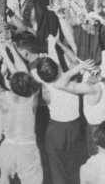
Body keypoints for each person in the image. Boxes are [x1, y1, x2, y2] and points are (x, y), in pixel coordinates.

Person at [0, 47, 43, 184]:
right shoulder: (32, 97)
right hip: (27, 148)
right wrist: (9, 49)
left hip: (7, 147)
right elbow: (24, 75)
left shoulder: (3, 97)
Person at [37, 54, 82, 184]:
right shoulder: (71, 81)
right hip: (74, 127)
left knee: (57, 167)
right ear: (57, 68)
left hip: (56, 130)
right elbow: (72, 61)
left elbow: (41, 102)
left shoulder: (45, 90)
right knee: (73, 164)